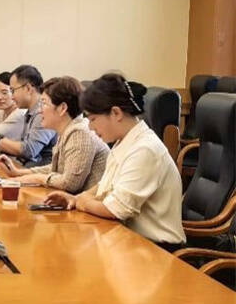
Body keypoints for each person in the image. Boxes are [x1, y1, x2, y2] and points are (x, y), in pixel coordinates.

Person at [44, 73, 185, 250]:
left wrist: (82, 203)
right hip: (130, 240)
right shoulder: (123, 141)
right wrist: (75, 199)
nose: (90, 127)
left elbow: (116, 209)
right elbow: (106, 185)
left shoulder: (145, 149)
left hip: (157, 248)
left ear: (116, 113)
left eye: (93, 119)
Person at [0, 76, 109, 193]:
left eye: (44, 103)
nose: (40, 110)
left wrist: (36, 178)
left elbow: (70, 183)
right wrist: (20, 172)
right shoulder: (69, 130)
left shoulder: (80, 133)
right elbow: (56, 169)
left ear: (62, 108)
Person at [0, 64, 56, 166]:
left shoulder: (42, 111)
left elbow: (30, 151)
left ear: (28, 88)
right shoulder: (30, 112)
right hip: (28, 168)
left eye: (13, 90)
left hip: (40, 171)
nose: (12, 97)